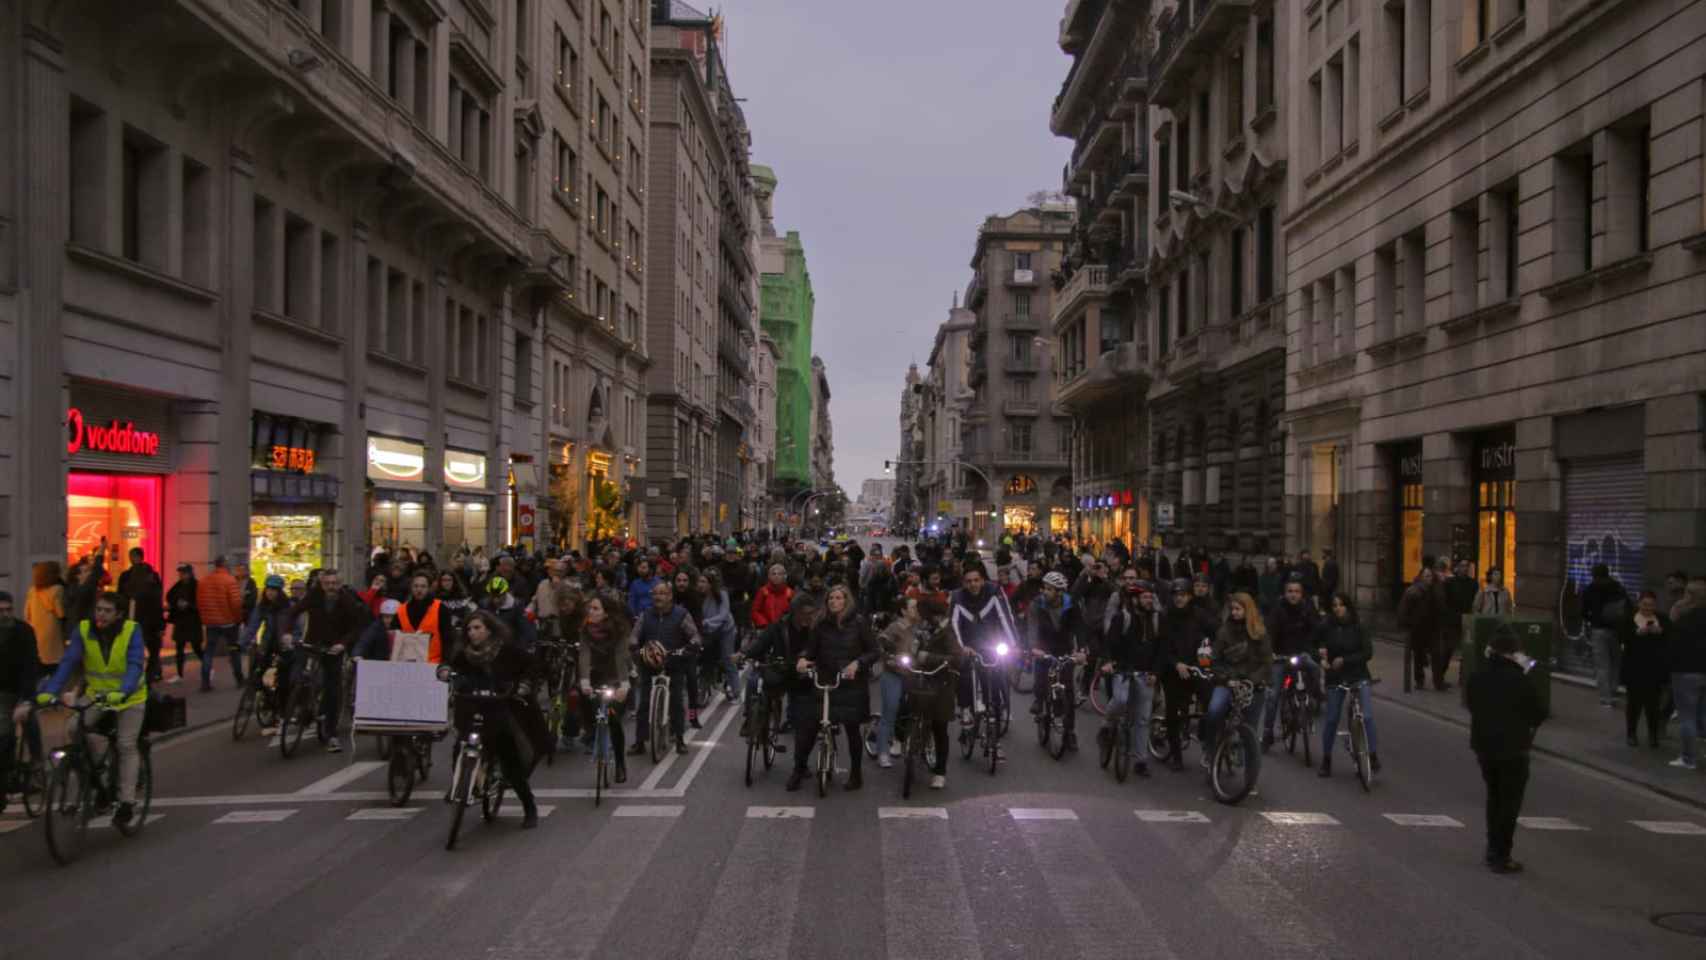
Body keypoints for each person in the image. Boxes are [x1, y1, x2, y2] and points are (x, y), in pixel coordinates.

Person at [37, 592, 147, 827]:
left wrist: (124, 690)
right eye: (99, 609)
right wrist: (51, 690)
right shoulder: (84, 630)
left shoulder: (131, 630)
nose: (101, 615)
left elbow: (135, 664)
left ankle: (127, 802)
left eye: (107, 611)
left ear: (118, 614)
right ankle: (99, 777)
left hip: (129, 697)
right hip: (96, 695)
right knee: (74, 728)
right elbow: (68, 662)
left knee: (126, 744)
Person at [445, 610, 546, 828]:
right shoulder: (464, 653)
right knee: (459, 746)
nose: (472, 633)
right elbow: (451, 667)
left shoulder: (506, 651)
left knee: (510, 761)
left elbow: (532, 665)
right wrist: (445, 671)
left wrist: (524, 686)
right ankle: (460, 784)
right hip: (471, 705)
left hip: (499, 706)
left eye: (477, 628)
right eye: (469, 629)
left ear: (489, 629)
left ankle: (529, 807)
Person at [1467, 623, 1546, 874]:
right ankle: (1502, 855)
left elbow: (1470, 703)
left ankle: (1492, 848)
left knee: (1494, 797)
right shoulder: (1519, 679)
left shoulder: (1478, 675)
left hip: (1484, 746)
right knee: (1509, 803)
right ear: (1513, 652)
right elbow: (1539, 712)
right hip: (1513, 748)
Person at [788, 583, 879, 792]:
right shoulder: (820, 624)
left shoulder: (859, 623)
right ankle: (799, 769)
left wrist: (858, 663)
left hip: (851, 683)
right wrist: (803, 660)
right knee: (809, 725)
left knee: (852, 729)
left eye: (839, 598)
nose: (834, 602)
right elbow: (811, 651)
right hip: (826, 680)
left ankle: (856, 774)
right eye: (831, 598)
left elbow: (874, 651)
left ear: (846, 601)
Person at [286, 569, 371, 753]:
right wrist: (286, 632)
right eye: (327, 584)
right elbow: (293, 612)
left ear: (339, 584)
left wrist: (343, 644)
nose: (331, 587)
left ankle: (331, 733)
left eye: (334, 584)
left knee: (333, 689)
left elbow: (358, 626)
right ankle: (300, 708)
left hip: (334, 647)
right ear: (321, 584)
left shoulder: (346, 600)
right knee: (299, 675)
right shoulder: (314, 596)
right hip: (313, 643)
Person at [1099, 573, 1162, 777]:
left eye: (1151, 597)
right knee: (1120, 699)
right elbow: (1108, 642)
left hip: (1146, 673)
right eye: (1145, 597)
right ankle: (1107, 724)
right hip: (1123, 669)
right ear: (1135, 599)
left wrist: (1155, 672)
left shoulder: (1155, 620)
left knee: (1143, 718)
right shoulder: (1123, 617)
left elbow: (1161, 649)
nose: (1148, 601)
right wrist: (1109, 662)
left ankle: (1140, 760)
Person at [1200, 592, 1272, 769]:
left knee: (1251, 732)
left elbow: (1266, 663)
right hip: (1227, 682)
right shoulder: (1224, 631)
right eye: (1232, 609)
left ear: (1248, 610)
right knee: (1214, 712)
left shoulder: (1260, 633)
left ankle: (1250, 778)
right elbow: (1215, 660)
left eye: (1238, 609)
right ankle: (1210, 752)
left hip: (1252, 686)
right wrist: (1227, 679)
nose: (1234, 612)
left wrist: (1252, 680)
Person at [628, 580, 700, 757]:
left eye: (662, 593)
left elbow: (695, 636)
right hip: (649, 663)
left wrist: (689, 649)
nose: (658, 597)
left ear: (670, 596)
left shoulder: (682, 614)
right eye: (655, 594)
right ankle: (639, 741)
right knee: (643, 702)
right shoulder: (646, 614)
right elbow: (634, 636)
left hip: (674, 663)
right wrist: (636, 649)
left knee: (676, 701)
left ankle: (680, 739)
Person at [738, 593, 818, 746]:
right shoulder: (778, 627)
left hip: (803, 676)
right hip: (779, 670)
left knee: (803, 719)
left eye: (811, 613)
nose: (808, 617)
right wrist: (744, 654)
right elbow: (760, 643)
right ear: (795, 612)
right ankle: (752, 720)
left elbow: (822, 649)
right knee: (754, 682)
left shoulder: (816, 629)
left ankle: (800, 764)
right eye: (805, 614)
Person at [1315, 593, 1380, 776]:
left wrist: (1345, 660)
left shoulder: (1359, 626)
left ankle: (1372, 754)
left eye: (1341, 605)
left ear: (1348, 607)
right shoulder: (1326, 627)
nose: (1338, 608)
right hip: (1335, 678)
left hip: (1358, 675)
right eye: (1334, 605)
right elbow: (1314, 645)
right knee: (1331, 719)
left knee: (1366, 716)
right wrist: (1321, 657)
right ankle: (1326, 759)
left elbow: (1367, 653)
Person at [949, 564, 1020, 731]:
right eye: (968, 581)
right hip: (968, 644)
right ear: (963, 583)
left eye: (976, 580)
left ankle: (996, 711)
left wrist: (1014, 645)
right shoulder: (957, 597)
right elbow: (954, 625)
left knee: (996, 673)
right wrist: (961, 647)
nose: (973, 584)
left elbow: (1006, 618)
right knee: (964, 672)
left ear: (983, 580)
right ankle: (965, 708)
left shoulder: (994, 591)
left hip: (991, 641)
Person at [577, 592, 633, 783]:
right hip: (596, 674)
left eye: (595, 608)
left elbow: (620, 657)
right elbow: (584, 655)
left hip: (617, 675)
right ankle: (590, 732)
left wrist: (624, 685)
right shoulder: (585, 629)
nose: (590, 612)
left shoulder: (618, 630)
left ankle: (619, 764)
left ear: (606, 613)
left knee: (613, 718)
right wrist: (584, 681)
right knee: (582, 698)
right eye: (589, 608)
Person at [1159, 584, 1213, 772]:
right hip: (1173, 670)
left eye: (1183, 595)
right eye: (1176, 595)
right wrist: (1176, 664)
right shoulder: (1166, 616)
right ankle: (1176, 755)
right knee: (1173, 713)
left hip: (1196, 668)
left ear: (1190, 597)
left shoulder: (1199, 615)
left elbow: (1215, 633)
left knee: (1211, 703)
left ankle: (1205, 738)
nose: (1179, 598)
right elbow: (1162, 646)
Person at [1262, 578, 1322, 747]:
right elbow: (1270, 632)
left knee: (1315, 668)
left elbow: (1316, 629)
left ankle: (1314, 696)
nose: (1293, 595)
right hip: (1281, 656)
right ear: (1285, 593)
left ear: (1301, 594)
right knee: (1273, 696)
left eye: (1296, 591)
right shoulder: (1278, 610)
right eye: (1290, 591)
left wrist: (1314, 649)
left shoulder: (1307, 609)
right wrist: (1271, 653)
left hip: (1301, 654)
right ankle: (1267, 733)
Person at [1028, 572, 1084, 748]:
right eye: (1044, 587)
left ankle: (1069, 732)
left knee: (1068, 691)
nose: (1045, 591)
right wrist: (1033, 647)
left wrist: (1081, 650)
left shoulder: (1071, 604)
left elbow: (1080, 628)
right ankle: (1039, 700)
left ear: (1060, 592)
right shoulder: (1037, 604)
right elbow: (1032, 627)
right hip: (1043, 649)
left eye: (1049, 589)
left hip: (1063, 650)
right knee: (1041, 683)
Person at [0, 591, 43, 815]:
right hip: (2, 690)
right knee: (4, 734)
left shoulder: (24, 631)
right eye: (0, 611)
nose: (5, 615)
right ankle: (5, 777)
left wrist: (26, 699)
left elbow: (30, 666)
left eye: (8, 610)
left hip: (22, 687)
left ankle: (36, 763)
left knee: (28, 720)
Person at [875, 594, 928, 767]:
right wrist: (891, 658)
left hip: (915, 674)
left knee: (917, 710)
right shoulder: (895, 627)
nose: (916, 610)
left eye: (917, 607)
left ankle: (913, 743)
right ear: (904, 611)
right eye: (912, 607)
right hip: (894, 674)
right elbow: (881, 644)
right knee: (890, 711)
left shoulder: (922, 628)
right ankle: (882, 752)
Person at [1621, 591, 1669, 749]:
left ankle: (1653, 736)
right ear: (1639, 603)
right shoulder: (1629, 619)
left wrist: (1661, 632)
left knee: (1653, 706)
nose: (1648, 608)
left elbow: (1670, 638)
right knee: (1634, 705)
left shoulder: (1662, 619)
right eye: (1645, 604)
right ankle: (1631, 734)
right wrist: (1636, 633)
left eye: (1651, 605)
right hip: (1635, 669)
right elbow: (1622, 638)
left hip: (1654, 670)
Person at [1667, 579, 1706, 770]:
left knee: (1687, 717)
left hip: (1685, 670)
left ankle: (1688, 758)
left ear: (1690, 596)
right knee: (1703, 715)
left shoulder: (1684, 616)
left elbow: (1672, 640)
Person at [1581, 563, 1629, 707]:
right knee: (1615, 662)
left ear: (1594, 574)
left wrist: (1591, 620)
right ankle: (1613, 692)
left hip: (1598, 630)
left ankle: (1605, 698)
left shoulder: (1590, 589)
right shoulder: (1618, 587)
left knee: (1602, 665)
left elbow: (1583, 611)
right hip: (1616, 630)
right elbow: (1626, 606)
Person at [196, 556, 245, 691]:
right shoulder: (230, 580)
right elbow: (235, 604)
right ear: (224, 565)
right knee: (234, 651)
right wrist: (238, 619)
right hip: (228, 622)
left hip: (211, 623)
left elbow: (200, 602)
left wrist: (205, 619)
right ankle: (239, 678)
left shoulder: (204, 581)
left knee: (208, 652)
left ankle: (205, 682)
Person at [117, 548, 166, 683]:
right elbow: (158, 600)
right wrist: (161, 624)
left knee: (137, 650)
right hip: (150, 620)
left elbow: (119, 599)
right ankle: (151, 676)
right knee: (153, 650)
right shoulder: (152, 576)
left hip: (134, 619)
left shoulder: (127, 577)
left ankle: (139, 676)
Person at [1398, 562, 1443, 691]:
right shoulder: (1413, 591)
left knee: (1436, 655)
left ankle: (1438, 682)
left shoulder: (1436, 589)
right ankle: (1419, 680)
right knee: (1418, 655)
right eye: (1426, 576)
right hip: (1417, 628)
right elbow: (1403, 609)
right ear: (1421, 577)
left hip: (1433, 628)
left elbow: (1440, 607)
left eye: (1430, 576)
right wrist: (1406, 624)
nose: (1429, 578)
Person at [1440, 560, 1479, 689]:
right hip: (1452, 621)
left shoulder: (1473, 584)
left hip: (1467, 620)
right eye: (1462, 566)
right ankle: (1439, 676)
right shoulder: (1450, 583)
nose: (1465, 568)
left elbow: (1475, 603)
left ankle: (1463, 677)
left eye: (1467, 566)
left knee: (1466, 651)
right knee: (1448, 649)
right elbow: (1444, 601)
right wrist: (1448, 616)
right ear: (1457, 568)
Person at [166, 563, 204, 685]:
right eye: (180, 573)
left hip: (193, 620)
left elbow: (201, 603)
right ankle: (179, 674)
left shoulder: (197, 585)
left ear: (190, 573)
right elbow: (169, 596)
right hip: (181, 620)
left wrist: (189, 605)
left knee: (196, 647)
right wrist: (177, 603)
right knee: (179, 647)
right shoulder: (178, 585)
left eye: (184, 573)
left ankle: (207, 667)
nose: (182, 575)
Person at [26, 561, 67, 672]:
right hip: (52, 631)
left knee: (40, 661)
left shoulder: (32, 590)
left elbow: (27, 613)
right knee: (54, 662)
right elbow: (60, 613)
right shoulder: (58, 589)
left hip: (36, 629)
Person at [750, 563, 794, 632]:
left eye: (779, 574)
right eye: (774, 574)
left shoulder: (790, 592)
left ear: (784, 576)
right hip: (765, 628)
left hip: (785, 629)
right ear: (769, 576)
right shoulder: (763, 591)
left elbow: (793, 612)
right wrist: (764, 624)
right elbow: (755, 611)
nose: (776, 576)